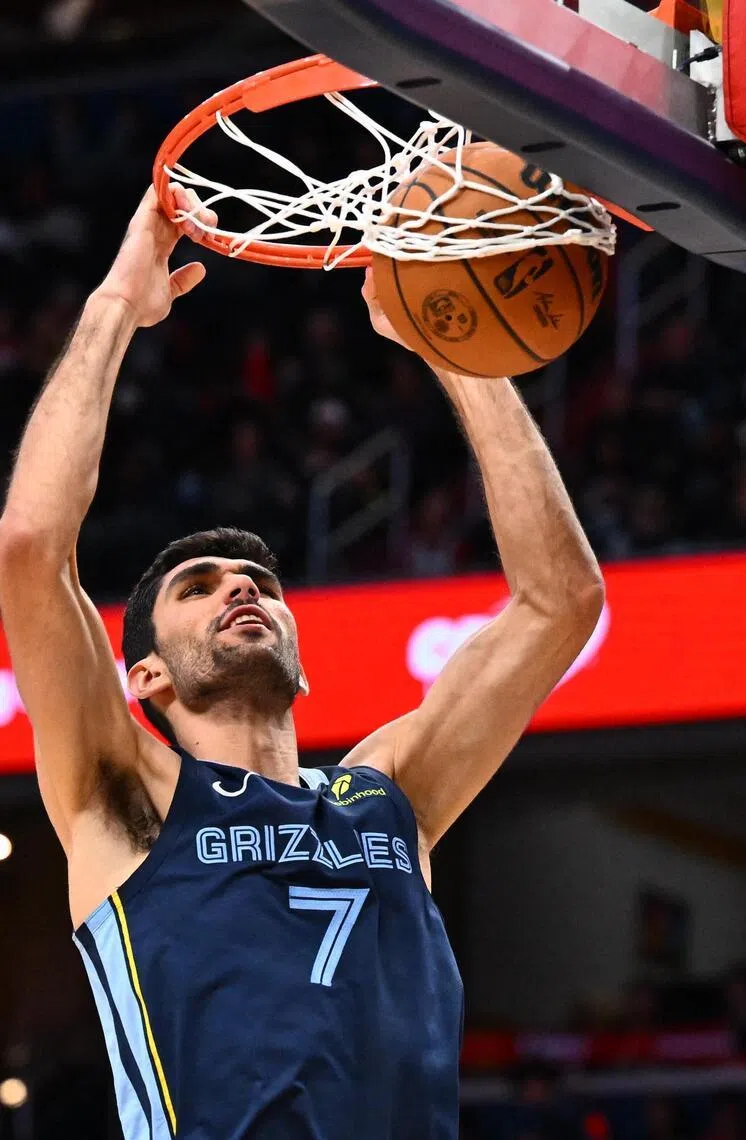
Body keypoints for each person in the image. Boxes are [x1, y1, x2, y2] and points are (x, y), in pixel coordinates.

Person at [0, 186, 605, 1139]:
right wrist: (117, 304)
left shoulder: (386, 796)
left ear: (301, 661)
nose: (242, 589)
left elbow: (561, 604)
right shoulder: (127, 797)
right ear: (146, 677)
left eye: (258, 582)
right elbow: (34, 543)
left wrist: (448, 337)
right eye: (198, 587)